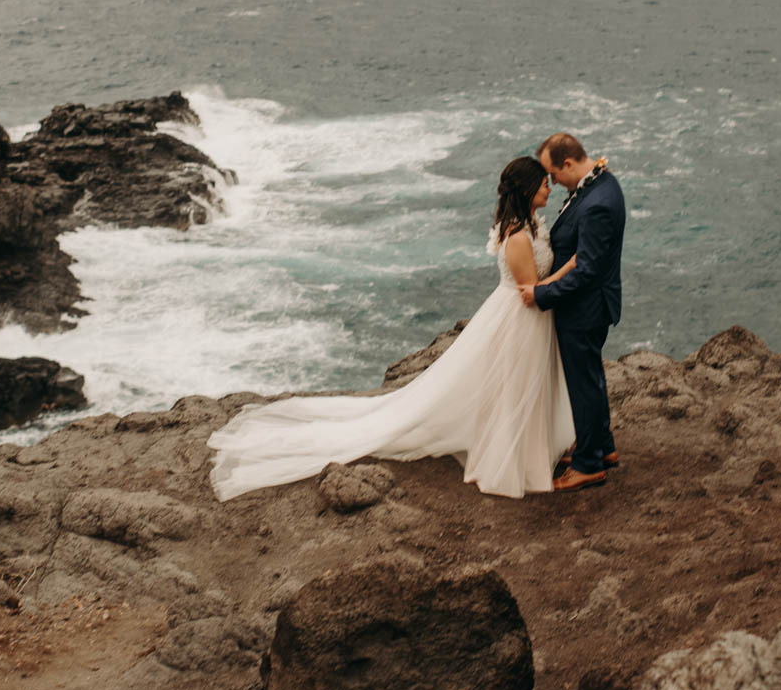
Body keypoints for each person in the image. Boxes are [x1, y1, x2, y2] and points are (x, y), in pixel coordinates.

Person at [208, 156, 577, 501]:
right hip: (518, 318)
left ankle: (530, 450)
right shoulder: (516, 237)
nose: (550, 188)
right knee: (512, 389)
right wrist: (573, 267)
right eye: (544, 184)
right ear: (528, 190)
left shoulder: (530, 227)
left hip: (526, 320)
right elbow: (531, 293)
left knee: (520, 388)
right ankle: (511, 458)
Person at [519, 133, 624, 492]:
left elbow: (588, 269)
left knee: (583, 384)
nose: (550, 183)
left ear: (568, 164)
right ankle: (602, 446)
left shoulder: (597, 202)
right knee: (588, 377)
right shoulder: (598, 184)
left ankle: (588, 464)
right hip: (588, 304)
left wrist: (543, 294)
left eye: (552, 174)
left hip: (585, 308)